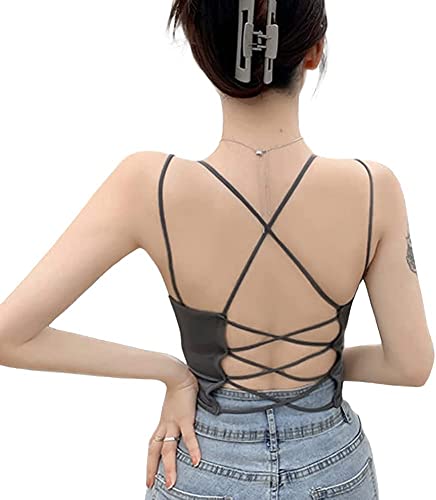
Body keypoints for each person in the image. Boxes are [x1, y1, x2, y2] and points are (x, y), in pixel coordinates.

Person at [0, 1, 433, 498]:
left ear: (203, 55)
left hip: (204, 459)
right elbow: (410, 365)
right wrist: (321, 367)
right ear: (314, 52)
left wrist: (173, 374)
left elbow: (9, 335)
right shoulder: (374, 188)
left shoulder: (149, 185)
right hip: (333, 464)